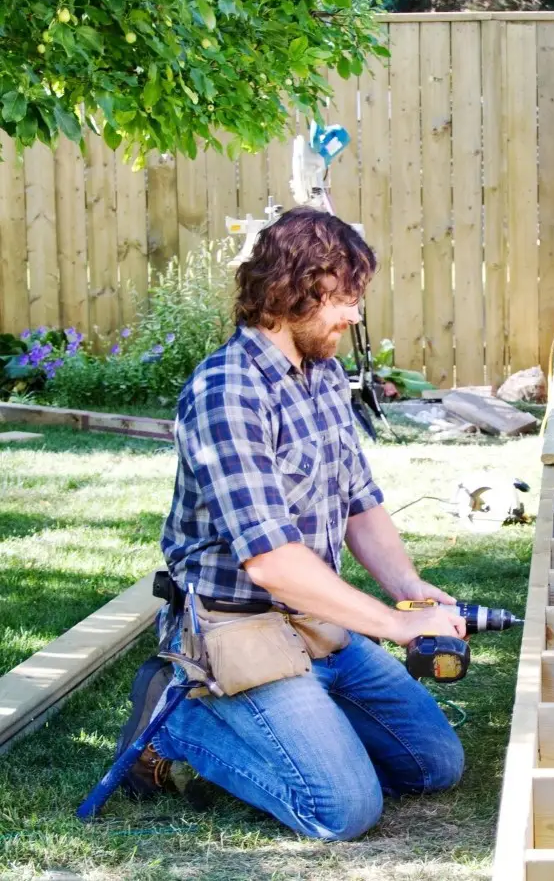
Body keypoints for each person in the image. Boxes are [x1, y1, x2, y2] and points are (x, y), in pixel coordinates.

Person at [113, 207, 467, 840]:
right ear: (291, 290)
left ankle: (301, 715)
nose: (354, 314)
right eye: (345, 298)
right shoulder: (227, 390)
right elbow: (272, 562)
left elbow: (360, 500)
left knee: (431, 765)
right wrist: (393, 625)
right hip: (237, 628)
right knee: (343, 809)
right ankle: (175, 726)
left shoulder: (324, 374)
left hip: (314, 623)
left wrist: (412, 590)